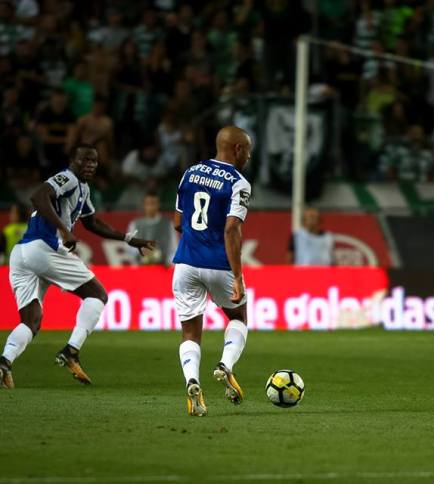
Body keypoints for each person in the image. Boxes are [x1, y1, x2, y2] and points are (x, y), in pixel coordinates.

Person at [0, 145, 155, 389]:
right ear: (73, 160)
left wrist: (128, 239)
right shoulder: (68, 178)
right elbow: (39, 196)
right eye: (85, 160)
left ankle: (4, 362)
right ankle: (71, 351)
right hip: (44, 247)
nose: (90, 165)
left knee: (31, 321)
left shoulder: (83, 188)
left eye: (94, 161)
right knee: (97, 295)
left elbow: (92, 223)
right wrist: (64, 230)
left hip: (22, 255)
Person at [172, 126, 252, 417]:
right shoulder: (239, 183)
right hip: (218, 264)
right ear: (238, 149)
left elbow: (177, 222)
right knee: (238, 316)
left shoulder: (190, 173)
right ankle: (225, 364)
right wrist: (238, 276)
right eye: (248, 151)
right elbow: (232, 229)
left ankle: (192, 381)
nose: (249, 157)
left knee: (190, 331)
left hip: (185, 262)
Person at [127, 191, 177, 266]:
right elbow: (129, 248)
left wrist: (163, 258)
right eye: (148, 204)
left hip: (162, 267)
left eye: (153, 203)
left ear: (158, 205)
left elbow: (174, 248)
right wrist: (141, 253)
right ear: (144, 205)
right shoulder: (135, 224)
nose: (150, 207)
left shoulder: (168, 224)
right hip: (141, 268)